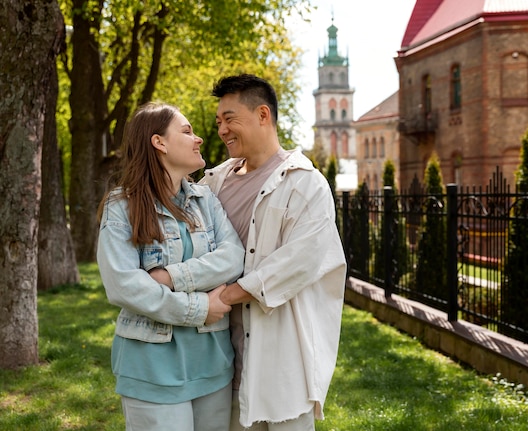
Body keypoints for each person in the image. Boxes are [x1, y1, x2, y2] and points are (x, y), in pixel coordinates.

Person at [199, 74, 347, 430]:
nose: (222, 130)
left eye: (230, 119)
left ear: (263, 115)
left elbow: (297, 263)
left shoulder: (305, 183)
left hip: (282, 362)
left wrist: (222, 296)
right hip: (221, 361)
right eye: (219, 121)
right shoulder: (212, 183)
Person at [96, 102, 245, 431]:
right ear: (159, 142)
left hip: (213, 365)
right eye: (187, 131)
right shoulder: (121, 207)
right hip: (150, 368)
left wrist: (170, 277)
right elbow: (124, 285)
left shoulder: (206, 200)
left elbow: (234, 256)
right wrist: (200, 307)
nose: (199, 139)